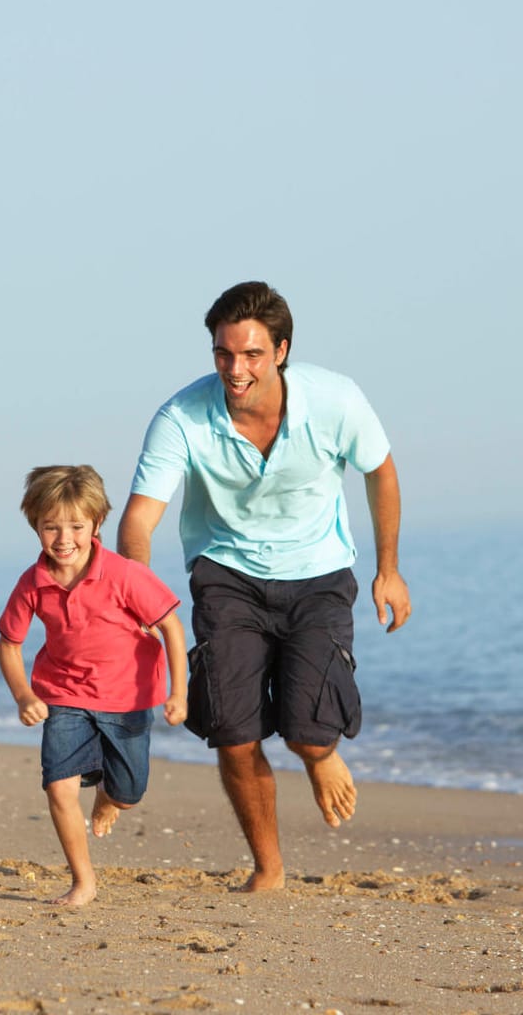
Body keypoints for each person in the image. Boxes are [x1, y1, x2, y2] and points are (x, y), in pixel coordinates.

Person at [117, 281, 412, 892]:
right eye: (225, 354)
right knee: (232, 731)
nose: (236, 368)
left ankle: (321, 753)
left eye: (251, 354)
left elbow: (380, 471)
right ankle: (269, 869)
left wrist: (388, 568)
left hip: (319, 577)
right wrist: (140, 600)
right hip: (227, 576)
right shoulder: (182, 417)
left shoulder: (335, 399)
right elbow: (138, 519)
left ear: (281, 350)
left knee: (307, 734)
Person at [0, 465, 189, 906]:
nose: (64, 539)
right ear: (36, 527)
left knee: (130, 791)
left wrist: (179, 693)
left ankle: (109, 796)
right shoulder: (32, 583)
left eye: (76, 527)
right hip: (63, 696)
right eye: (51, 527)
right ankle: (83, 881)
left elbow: (172, 628)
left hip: (128, 699)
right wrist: (24, 695)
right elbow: (9, 645)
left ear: (97, 525)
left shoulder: (124, 575)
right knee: (58, 786)